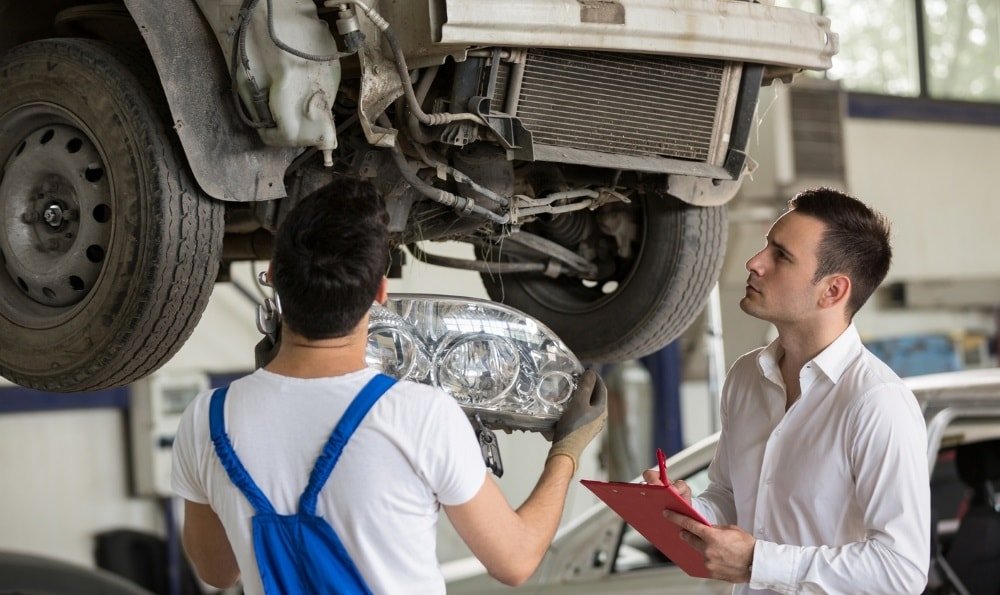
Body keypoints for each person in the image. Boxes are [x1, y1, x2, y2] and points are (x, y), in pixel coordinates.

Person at [171, 178, 607, 594]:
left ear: (274, 277)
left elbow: (217, 570)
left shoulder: (207, 421)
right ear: (380, 292)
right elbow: (514, 560)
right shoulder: (419, 416)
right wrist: (566, 452)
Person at [644, 188, 930, 594]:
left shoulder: (877, 403)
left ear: (832, 291)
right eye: (766, 246)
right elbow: (731, 497)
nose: (754, 263)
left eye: (781, 256)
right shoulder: (746, 376)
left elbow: (902, 570)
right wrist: (685, 506)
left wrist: (758, 561)